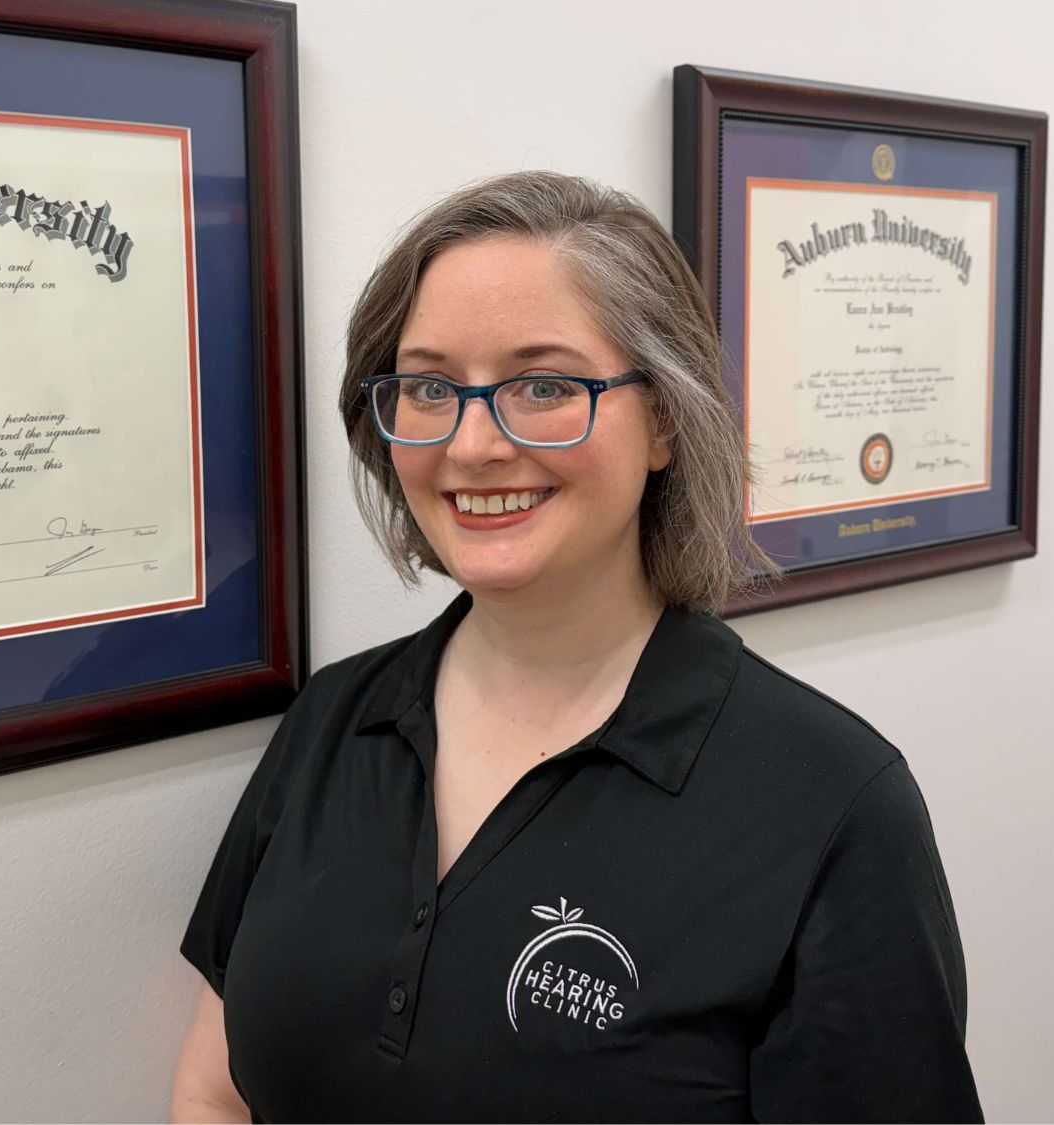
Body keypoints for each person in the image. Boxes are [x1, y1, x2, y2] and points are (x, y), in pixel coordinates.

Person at [170, 171, 982, 1123]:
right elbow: (215, 1089)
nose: (473, 445)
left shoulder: (833, 805)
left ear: (666, 419)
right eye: (429, 386)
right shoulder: (332, 719)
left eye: (545, 385)